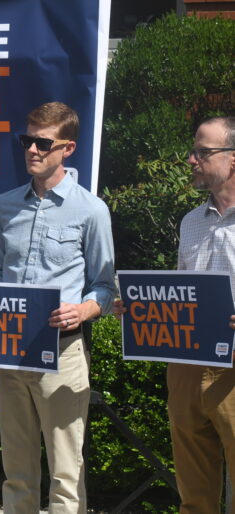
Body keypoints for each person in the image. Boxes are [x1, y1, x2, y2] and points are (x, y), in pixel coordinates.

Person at [0, 102, 116, 513]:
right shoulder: (5, 205)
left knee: (66, 474)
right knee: (16, 471)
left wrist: (83, 311)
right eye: (28, 141)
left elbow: (105, 288)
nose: (32, 151)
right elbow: (0, 275)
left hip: (62, 352)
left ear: (67, 148)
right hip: (8, 352)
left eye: (43, 143)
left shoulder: (91, 210)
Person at [167, 116, 235, 513]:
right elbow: (182, 291)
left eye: (203, 152)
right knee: (193, 495)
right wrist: (143, 309)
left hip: (232, 368)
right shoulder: (191, 221)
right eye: (194, 151)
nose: (192, 160)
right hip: (187, 366)